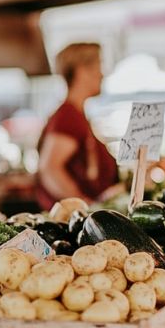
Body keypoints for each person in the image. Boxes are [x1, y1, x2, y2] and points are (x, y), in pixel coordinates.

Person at [36, 43, 120, 211]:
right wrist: (84, 207)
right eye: (98, 66)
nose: (102, 74)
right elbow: (50, 168)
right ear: (81, 71)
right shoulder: (68, 116)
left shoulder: (76, 114)